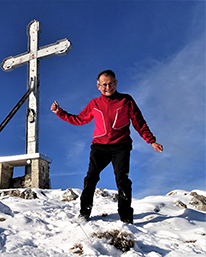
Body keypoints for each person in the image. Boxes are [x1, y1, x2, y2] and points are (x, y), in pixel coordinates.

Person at [50, 70, 163, 224]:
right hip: (99, 147)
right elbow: (79, 119)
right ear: (98, 86)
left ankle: (126, 218)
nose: (108, 87)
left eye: (110, 83)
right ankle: (84, 214)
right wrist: (60, 112)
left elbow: (139, 122)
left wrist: (151, 141)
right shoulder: (94, 104)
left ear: (116, 83)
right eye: (104, 84)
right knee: (90, 179)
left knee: (122, 180)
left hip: (121, 147)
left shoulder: (126, 100)